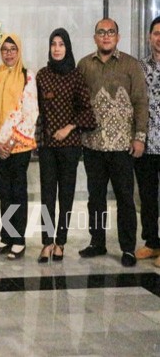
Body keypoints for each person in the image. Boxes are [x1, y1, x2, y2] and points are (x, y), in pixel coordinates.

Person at [77, 18, 148, 267]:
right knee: (95, 197)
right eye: (101, 32)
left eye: (111, 32)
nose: (106, 36)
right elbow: (79, 103)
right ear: (95, 37)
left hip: (122, 147)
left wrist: (140, 137)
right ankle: (97, 242)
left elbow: (140, 102)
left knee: (125, 198)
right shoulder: (85, 65)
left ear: (118, 37)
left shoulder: (130, 65)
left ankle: (128, 248)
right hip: (93, 145)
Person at [36, 28, 96, 263]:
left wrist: (69, 127)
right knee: (47, 196)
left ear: (67, 48)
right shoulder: (42, 75)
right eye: (54, 44)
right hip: (47, 147)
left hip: (70, 146)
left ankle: (61, 242)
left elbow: (88, 115)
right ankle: (46, 242)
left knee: (66, 195)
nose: (57, 48)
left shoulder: (76, 76)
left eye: (61, 44)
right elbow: (37, 110)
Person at [0, 34, 38, 260]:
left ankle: (18, 240)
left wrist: (12, 141)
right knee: (3, 194)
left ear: (19, 51)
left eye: (13, 49)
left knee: (17, 193)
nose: (8, 53)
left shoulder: (27, 76)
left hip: (18, 147)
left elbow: (30, 113)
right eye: (5, 49)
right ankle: (6, 237)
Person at [136, 16, 160, 264]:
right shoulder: (140, 67)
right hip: (146, 143)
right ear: (149, 37)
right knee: (148, 195)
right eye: (156, 33)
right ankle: (152, 242)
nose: (159, 38)